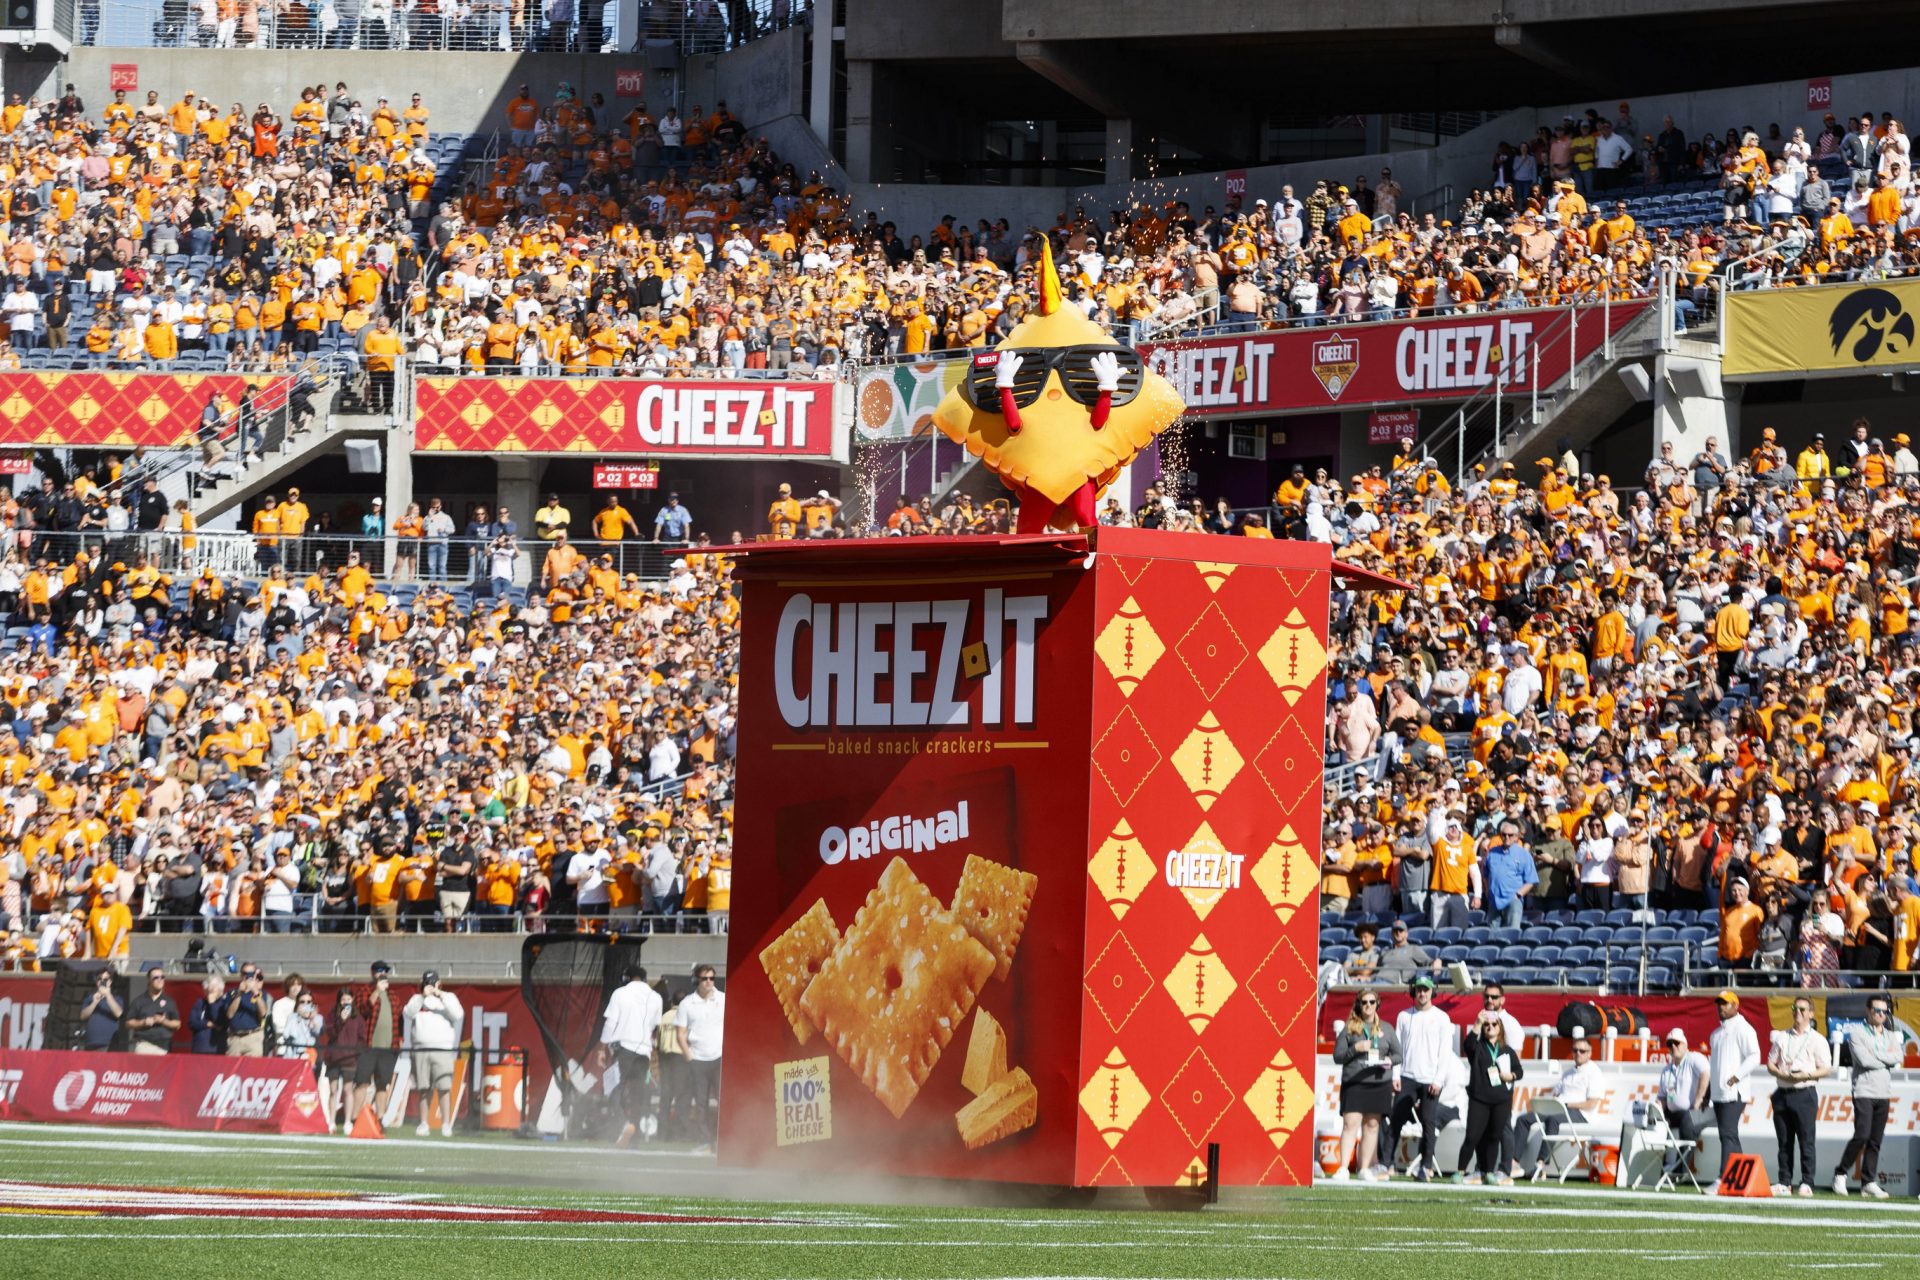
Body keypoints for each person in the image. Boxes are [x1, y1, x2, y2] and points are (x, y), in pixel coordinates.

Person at [1385, 974, 1453, 1181]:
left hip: (1430, 1079)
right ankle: (1385, 1163)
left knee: (1428, 1124)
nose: (1422, 993)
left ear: (1433, 991)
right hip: (1407, 1076)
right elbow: (1398, 1048)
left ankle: (1425, 1167)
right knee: (1396, 1120)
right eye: (1419, 989)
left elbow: (1445, 1052)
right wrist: (1395, 1074)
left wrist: (1438, 1080)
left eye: (1426, 989)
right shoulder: (1404, 1016)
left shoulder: (1442, 1017)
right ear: (1414, 991)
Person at [1330, 991, 1399, 1181]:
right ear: (1358, 1004)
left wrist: (1388, 1060)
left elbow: (1398, 1055)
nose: (1368, 1005)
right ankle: (1343, 1168)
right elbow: (1338, 1056)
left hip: (1379, 1083)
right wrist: (1355, 1049)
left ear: (1378, 1004)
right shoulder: (1349, 1028)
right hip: (1355, 1082)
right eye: (1364, 1002)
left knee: (1372, 1125)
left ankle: (1364, 1168)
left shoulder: (1387, 1028)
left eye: (1371, 1002)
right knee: (1350, 1124)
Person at [1766, 995, 1831, 1197]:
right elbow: (1770, 1063)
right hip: (1783, 1091)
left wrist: (1807, 1074)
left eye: (1803, 1009)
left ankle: (1807, 1181)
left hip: (1804, 1092)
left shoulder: (1817, 1039)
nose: (1798, 1012)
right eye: (1795, 1008)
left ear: (1811, 1013)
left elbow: (1826, 1068)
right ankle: (1784, 1181)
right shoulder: (1782, 1037)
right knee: (1784, 1141)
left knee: (1806, 1140)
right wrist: (1779, 1073)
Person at [1834, 996, 1898, 1198]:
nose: (1881, 1015)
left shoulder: (1890, 1036)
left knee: (1875, 1140)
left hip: (1883, 1091)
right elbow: (1863, 1060)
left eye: (1885, 1012)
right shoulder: (1857, 1033)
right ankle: (1841, 1172)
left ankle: (1868, 1181)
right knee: (1862, 1134)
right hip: (1864, 1090)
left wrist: (1877, 1057)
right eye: (1877, 1010)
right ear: (1868, 1011)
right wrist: (1885, 1059)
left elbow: (1898, 1057)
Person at [598, 962, 664, 1147]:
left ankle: (623, 1124)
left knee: (613, 1089)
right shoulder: (656, 997)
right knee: (638, 1095)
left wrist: (601, 1048)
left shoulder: (620, 993)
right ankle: (635, 1134)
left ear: (626, 979)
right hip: (644, 1051)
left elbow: (611, 1023)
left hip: (624, 1049)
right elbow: (653, 1027)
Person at [1516, 1032, 1599, 1175]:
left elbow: (1591, 1104)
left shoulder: (1594, 1073)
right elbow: (1555, 1094)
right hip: (1559, 1108)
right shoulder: (1567, 1073)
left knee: (1553, 1119)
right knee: (1523, 1119)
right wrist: (1554, 1104)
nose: (1578, 1053)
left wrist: (1567, 1105)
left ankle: (1541, 1163)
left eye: (1582, 1051)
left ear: (1589, 1054)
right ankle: (1513, 1162)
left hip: (1581, 1114)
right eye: (1575, 1050)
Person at [1457, 1010, 1523, 1185]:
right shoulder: (1478, 1047)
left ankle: (1488, 1172)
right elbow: (1468, 1045)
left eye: (1494, 1024)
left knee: (1494, 1137)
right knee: (1473, 1136)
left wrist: (1511, 1076)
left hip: (1501, 1100)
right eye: (1487, 1025)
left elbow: (1519, 1071)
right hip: (1479, 1099)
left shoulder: (1507, 1050)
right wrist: (1477, 1023)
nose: (1490, 1027)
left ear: (1500, 1027)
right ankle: (1460, 1170)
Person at [1708, 988, 1762, 1192]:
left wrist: (1737, 1076)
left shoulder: (1743, 1028)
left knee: (1728, 1134)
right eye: (1719, 1003)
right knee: (1728, 1135)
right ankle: (1741, 1179)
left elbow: (1755, 1056)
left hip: (1735, 1092)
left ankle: (1723, 1178)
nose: (1721, 1007)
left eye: (1726, 1003)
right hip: (1720, 1093)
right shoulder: (1716, 1033)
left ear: (1736, 1006)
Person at [404, 969, 464, 1137]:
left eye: (433, 983)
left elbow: (458, 1014)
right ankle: (424, 1123)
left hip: (442, 1049)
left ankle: (446, 1124)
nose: (430, 986)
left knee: (444, 1087)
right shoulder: (417, 999)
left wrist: (440, 994)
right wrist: (423, 996)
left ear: (439, 983)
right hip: (421, 1049)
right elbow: (408, 1013)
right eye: (427, 983)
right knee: (424, 1088)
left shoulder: (449, 997)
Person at [677, 964, 725, 1155]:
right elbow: (680, 1033)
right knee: (701, 1104)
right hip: (698, 1059)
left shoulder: (722, 999)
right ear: (697, 979)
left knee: (724, 1101)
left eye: (712, 978)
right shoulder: (687, 1003)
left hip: (719, 1057)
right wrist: (689, 1056)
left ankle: (724, 1141)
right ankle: (706, 1142)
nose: (709, 982)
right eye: (705, 978)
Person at [1657, 1027, 1710, 1181]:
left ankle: (1682, 1171)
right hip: (1676, 1112)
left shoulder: (1694, 1058)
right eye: (1669, 1044)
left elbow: (1705, 1073)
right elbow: (1662, 1097)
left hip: (1699, 1111)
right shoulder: (1667, 1070)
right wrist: (1657, 1111)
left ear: (1685, 1045)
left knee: (1687, 1122)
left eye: (1677, 1043)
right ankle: (1661, 1167)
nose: (1673, 1046)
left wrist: (1699, 1098)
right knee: (1658, 1123)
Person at [352, 960, 402, 1122]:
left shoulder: (393, 995)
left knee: (383, 1085)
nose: (382, 973)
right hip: (368, 1046)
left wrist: (400, 1039)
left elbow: (399, 1020)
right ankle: (353, 1118)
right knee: (362, 1083)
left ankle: (380, 1119)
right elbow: (361, 1011)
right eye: (379, 970)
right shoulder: (365, 990)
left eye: (385, 971)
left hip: (388, 1048)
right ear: (373, 973)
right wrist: (376, 992)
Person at [323, 988, 366, 1126]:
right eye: (343, 1000)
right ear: (339, 1001)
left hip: (350, 1059)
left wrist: (356, 1052)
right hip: (334, 1058)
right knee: (333, 1090)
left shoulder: (358, 1018)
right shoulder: (332, 1015)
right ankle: (331, 1121)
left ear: (352, 1000)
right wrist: (340, 1020)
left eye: (348, 999)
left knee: (348, 1090)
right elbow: (330, 1033)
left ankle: (348, 1121)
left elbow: (362, 1038)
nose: (346, 1002)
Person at [123, 964, 180, 1055]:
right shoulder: (139, 1001)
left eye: (162, 977)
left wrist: (163, 1021)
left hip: (164, 1047)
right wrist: (143, 1022)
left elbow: (177, 1024)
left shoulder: (169, 1002)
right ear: (149, 981)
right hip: (144, 1045)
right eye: (156, 977)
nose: (160, 980)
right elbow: (128, 1023)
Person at [222, 964, 271, 1057]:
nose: (248, 976)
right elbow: (230, 1015)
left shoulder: (261, 993)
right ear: (241, 975)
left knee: (253, 1069)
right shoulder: (232, 992)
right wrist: (239, 993)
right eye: (245, 973)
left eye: (251, 973)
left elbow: (263, 1013)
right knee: (233, 1069)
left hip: (253, 1036)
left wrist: (254, 991)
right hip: (235, 1038)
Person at [79, 969, 123, 1050]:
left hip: (109, 1044)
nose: (102, 981)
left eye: (105, 979)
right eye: (99, 979)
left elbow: (119, 1014)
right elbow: (82, 1016)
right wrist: (94, 1002)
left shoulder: (117, 998)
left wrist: (107, 995)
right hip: (90, 1044)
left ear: (110, 982)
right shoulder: (89, 998)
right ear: (96, 981)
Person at [188, 973, 227, 1054]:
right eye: (209, 986)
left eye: (215, 986)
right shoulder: (200, 1003)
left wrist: (212, 1003)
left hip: (217, 1049)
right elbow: (191, 1023)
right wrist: (208, 1024)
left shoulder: (224, 1003)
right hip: (199, 1049)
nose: (211, 989)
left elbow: (219, 1022)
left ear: (221, 989)